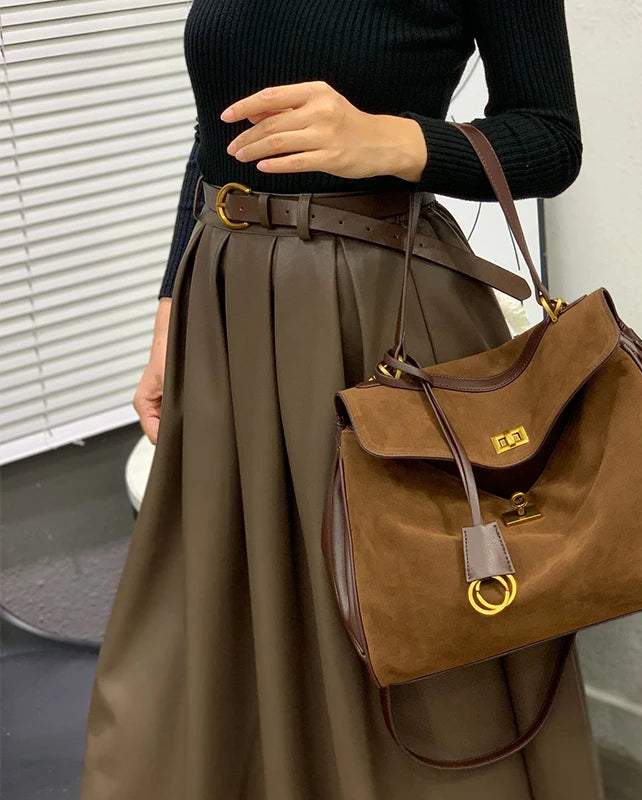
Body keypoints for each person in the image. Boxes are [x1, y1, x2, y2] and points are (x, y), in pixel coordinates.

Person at [78, 1, 605, 798]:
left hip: (374, 309)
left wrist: (394, 141)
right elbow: (217, 133)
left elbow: (549, 137)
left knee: (404, 595)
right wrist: (170, 312)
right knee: (233, 592)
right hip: (228, 302)